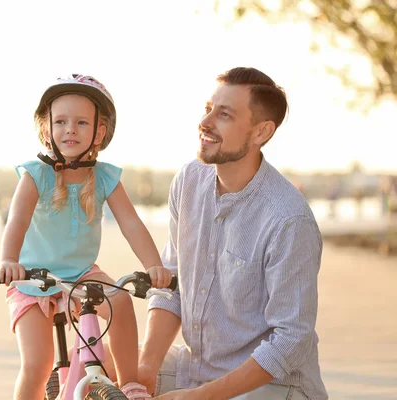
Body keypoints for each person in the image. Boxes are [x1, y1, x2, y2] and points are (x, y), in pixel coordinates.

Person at [137, 67, 328, 399]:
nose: (206, 121)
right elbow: (172, 285)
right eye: (208, 107)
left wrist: (200, 397)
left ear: (260, 132)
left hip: (273, 385)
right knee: (97, 366)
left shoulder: (288, 219)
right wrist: (144, 371)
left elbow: (290, 340)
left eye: (223, 114)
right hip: (197, 367)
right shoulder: (187, 182)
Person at [0, 74, 172, 400]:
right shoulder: (36, 175)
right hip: (31, 279)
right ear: (47, 129)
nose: (70, 129)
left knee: (119, 301)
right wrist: (9, 262)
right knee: (38, 363)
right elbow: (17, 221)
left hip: (81, 274)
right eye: (61, 121)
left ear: (99, 131)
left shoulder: (105, 177)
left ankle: (129, 383)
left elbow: (132, 224)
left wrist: (154, 266)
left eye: (81, 122)